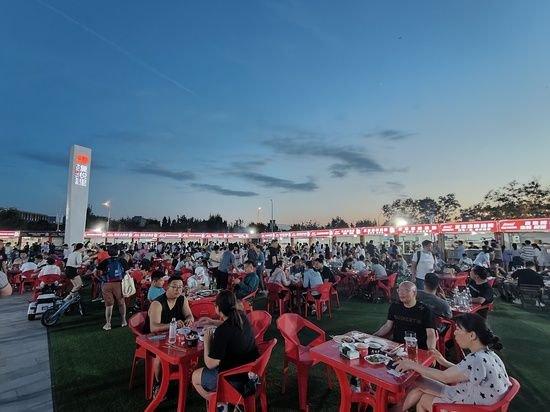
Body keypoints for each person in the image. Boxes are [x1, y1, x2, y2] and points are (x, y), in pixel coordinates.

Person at [395, 313, 510, 411]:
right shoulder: (489, 355)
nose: (454, 333)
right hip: (475, 398)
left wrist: (411, 365)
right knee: (419, 382)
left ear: (472, 335)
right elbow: (469, 372)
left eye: (458, 329)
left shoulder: (476, 359)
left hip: (471, 407)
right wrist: (444, 362)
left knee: (424, 399)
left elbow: (444, 377)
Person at [191, 290, 259, 407]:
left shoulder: (222, 332)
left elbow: (210, 364)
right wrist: (213, 322)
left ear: (217, 308)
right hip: (251, 372)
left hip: (233, 380)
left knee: (194, 376)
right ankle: (221, 401)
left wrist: (207, 341)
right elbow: (229, 324)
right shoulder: (242, 316)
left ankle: (218, 402)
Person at [373, 281, 436, 350]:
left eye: (406, 290)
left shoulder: (425, 310)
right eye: (399, 290)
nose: (401, 293)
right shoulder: (395, 306)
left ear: (414, 293)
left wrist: (431, 349)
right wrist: (374, 335)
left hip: (417, 348)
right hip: (396, 346)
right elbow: (388, 325)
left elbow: (431, 334)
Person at [97, 247, 128, 331]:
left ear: (109, 253)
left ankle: (108, 324)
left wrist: (102, 279)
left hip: (107, 284)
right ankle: (124, 321)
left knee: (109, 305)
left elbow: (96, 272)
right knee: (121, 302)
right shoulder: (122, 261)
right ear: (118, 252)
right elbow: (127, 272)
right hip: (119, 284)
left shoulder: (105, 261)